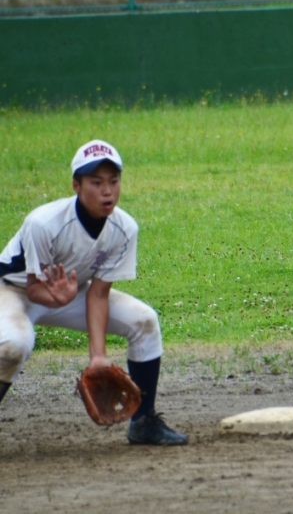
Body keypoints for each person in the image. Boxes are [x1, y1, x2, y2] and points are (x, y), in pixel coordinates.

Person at [0, 139, 187, 446]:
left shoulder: (125, 229)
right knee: (13, 346)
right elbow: (34, 288)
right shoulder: (43, 223)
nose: (107, 190)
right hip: (12, 291)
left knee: (144, 321)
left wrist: (98, 357)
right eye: (96, 182)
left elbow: (98, 294)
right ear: (76, 185)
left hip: (71, 293)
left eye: (114, 181)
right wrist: (56, 297)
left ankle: (144, 423)